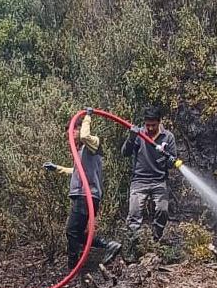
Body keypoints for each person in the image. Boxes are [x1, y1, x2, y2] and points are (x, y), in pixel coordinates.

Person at [45, 110, 122, 271]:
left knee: (71, 231)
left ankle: (73, 267)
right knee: (78, 234)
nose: (70, 137)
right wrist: (57, 168)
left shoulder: (93, 144)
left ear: (79, 128)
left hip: (86, 195)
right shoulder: (80, 151)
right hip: (82, 195)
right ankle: (108, 244)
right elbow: (76, 171)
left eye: (72, 131)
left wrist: (87, 117)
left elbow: (85, 136)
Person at [122, 104, 178, 243]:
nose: (150, 128)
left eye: (153, 125)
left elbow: (173, 163)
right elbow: (125, 153)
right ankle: (133, 245)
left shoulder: (168, 137)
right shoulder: (139, 134)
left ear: (159, 121)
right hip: (139, 180)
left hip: (159, 181)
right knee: (134, 213)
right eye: (148, 125)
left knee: (162, 210)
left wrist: (170, 158)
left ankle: (155, 239)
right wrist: (131, 137)